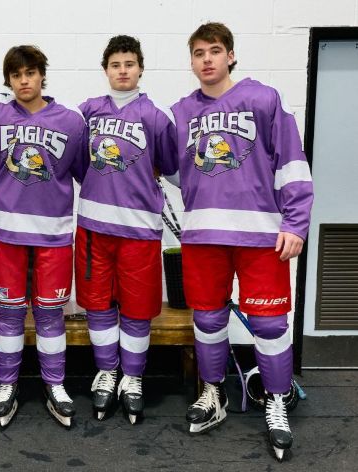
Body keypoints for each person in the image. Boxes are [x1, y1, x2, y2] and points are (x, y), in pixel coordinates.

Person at [170, 22, 313, 460]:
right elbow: (176, 171)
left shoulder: (263, 98)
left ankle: (276, 399)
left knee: (269, 325)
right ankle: (213, 393)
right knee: (208, 319)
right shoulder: (181, 112)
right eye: (199, 53)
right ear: (191, 61)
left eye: (214, 50)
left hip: (261, 235)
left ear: (230, 55)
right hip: (203, 236)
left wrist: (296, 223)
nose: (207, 59)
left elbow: (291, 162)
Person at [0, 45, 88, 428]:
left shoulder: (71, 120)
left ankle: (56, 385)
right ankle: (7, 386)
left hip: (53, 234)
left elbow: (86, 172)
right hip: (7, 234)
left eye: (30, 73)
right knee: (9, 313)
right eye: (16, 74)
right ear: (8, 79)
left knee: (51, 313)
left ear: (42, 75)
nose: (24, 80)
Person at [75, 35, 178, 424]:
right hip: (94, 228)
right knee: (98, 303)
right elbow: (73, 161)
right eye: (115, 65)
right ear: (105, 70)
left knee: (137, 307)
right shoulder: (86, 112)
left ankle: (132, 377)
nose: (123, 71)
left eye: (129, 64)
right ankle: (107, 371)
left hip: (139, 230)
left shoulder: (156, 116)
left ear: (140, 68)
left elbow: (170, 167)